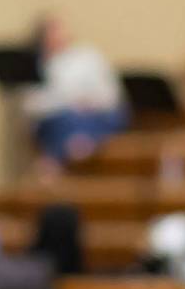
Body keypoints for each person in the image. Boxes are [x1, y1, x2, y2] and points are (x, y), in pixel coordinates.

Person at [21, 15, 129, 174]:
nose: (57, 37)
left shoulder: (87, 56)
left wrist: (88, 102)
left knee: (115, 116)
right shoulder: (39, 65)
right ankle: (70, 148)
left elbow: (110, 94)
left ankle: (61, 154)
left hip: (95, 114)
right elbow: (31, 105)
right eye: (51, 34)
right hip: (60, 119)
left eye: (59, 32)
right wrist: (66, 103)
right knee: (57, 122)